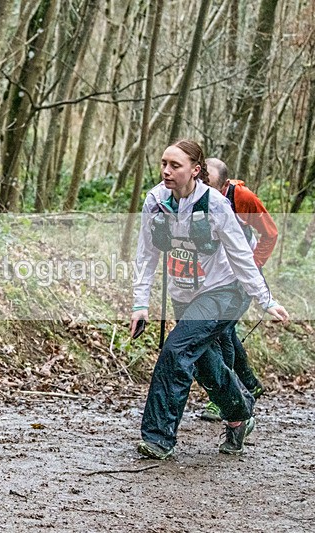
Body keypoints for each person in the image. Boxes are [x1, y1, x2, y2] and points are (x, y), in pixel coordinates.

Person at [131, 139, 289, 459]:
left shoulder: (215, 203)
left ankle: (158, 438)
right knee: (204, 362)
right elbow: (146, 254)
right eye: (164, 163)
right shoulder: (156, 201)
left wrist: (265, 299)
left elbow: (241, 255)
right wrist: (140, 304)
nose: (166, 171)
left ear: (195, 170)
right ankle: (239, 414)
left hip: (224, 290)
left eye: (175, 165)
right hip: (183, 294)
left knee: (176, 350)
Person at [197, 157, 279, 422]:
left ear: (224, 186)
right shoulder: (192, 196)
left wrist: (253, 266)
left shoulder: (242, 197)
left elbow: (270, 233)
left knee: (222, 331)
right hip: (215, 275)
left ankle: (222, 399)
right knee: (226, 331)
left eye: (210, 186)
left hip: (242, 275)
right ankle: (249, 384)